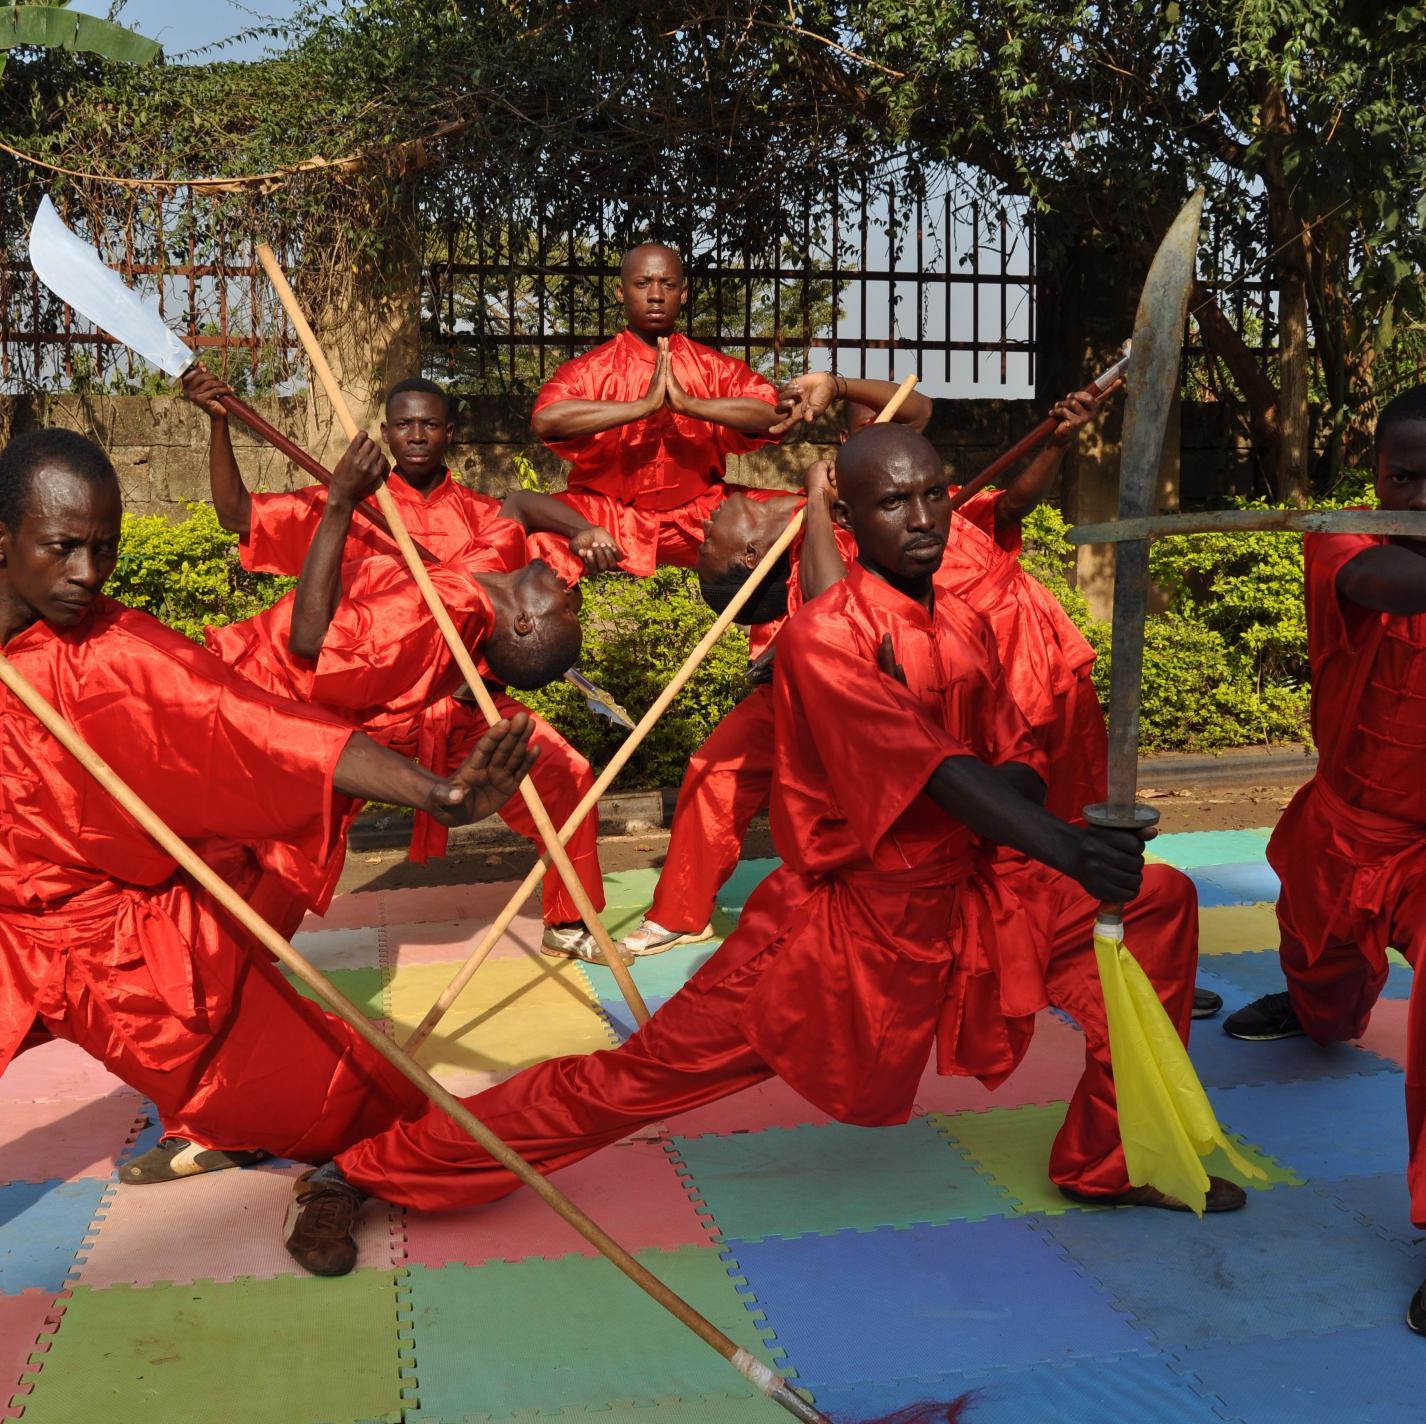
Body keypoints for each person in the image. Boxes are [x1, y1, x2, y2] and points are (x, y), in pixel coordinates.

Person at [280, 425, 1242, 1278]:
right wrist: (1063, 844)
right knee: (632, 1080)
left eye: (933, 494)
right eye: (892, 501)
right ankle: (366, 1169)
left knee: (1158, 902)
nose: (922, 518)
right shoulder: (827, 637)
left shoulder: (966, 619)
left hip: (976, 893)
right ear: (847, 519)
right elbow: (945, 773)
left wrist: (1056, 836)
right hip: (841, 936)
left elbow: (1009, 766)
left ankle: (1109, 1160)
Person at [0, 429, 537, 1184]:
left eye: (106, 550)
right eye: (63, 548)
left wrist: (438, 794)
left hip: (117, 944)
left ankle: (282, 1133)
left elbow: (259, 729)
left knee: (354, 1113)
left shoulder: (116, 655)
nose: (90, 575)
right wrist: (337, 502)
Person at [183, 367, 613, 957]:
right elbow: (239, 518)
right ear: (385, 433)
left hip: (459, 706)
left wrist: (586, 528)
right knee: (294, 839)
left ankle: (571, 921)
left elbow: (521, 512)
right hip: (356, 703)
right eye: (404, 425)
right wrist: (220, 423)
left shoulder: (480, 520)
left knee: (565, 774)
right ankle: (241, 953)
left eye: (429, 425)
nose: (416, 435)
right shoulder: (353, 497)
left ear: (449, 433)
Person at [1217, 385, 1426, 1331]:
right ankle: (1312, 1007)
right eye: (1403, 477)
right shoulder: (1343, 543)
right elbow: (1393, 586)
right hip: (1343, 829)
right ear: (1374, 475)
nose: (1417, 496)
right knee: (1324, 980)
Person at [526, 242, 800, 581]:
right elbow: (546, 418)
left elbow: (772, 413)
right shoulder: (591, 370)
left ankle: (792, 631)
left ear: (683, 293)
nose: (656, 295)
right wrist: (640, 408)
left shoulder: (712, 367)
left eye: (667, 285)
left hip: (704, 513)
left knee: (807, 518)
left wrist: (688, 405)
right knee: (526, 538)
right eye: (642, 284)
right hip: (607, 514)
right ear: (620, 291)